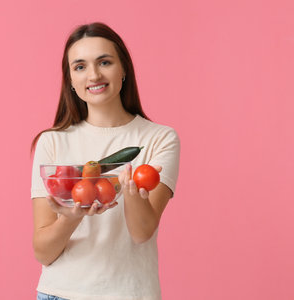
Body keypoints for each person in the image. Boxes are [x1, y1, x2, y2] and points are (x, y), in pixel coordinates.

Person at [30, 22, 180, 300]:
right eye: (80, 66)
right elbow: (43, 252)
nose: (94, 74)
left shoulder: (160, 138)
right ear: (70, 80)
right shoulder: (52, 141)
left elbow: (141, 232)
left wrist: (132, 192)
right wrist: (71, 217)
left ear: (123, 69)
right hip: (59, 294)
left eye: (105, 62)